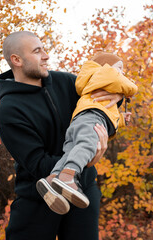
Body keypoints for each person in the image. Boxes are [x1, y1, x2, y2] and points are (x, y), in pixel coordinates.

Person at [0, 31, 123, 240]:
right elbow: (38, 163)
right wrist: (84, 162)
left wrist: (117, 96)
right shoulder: (9, 109)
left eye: (44, 49)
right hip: (39, 197)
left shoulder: (65, 81)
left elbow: (97, 102)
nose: (46, 56)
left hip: (83, 192)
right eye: (37, 51)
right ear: (16, 60)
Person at [36, 52, 138, 215]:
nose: (123, 72)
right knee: (87, 145)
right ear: (106, 66)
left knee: (70, 153)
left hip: (84, 120)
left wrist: (122, 119)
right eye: (120, 68)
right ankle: (69, 176)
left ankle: (52, 178)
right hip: (92, 118)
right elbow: (128, 86)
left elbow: (108, 112)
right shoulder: (104, 74)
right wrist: (129, 91)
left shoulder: (100, 82)